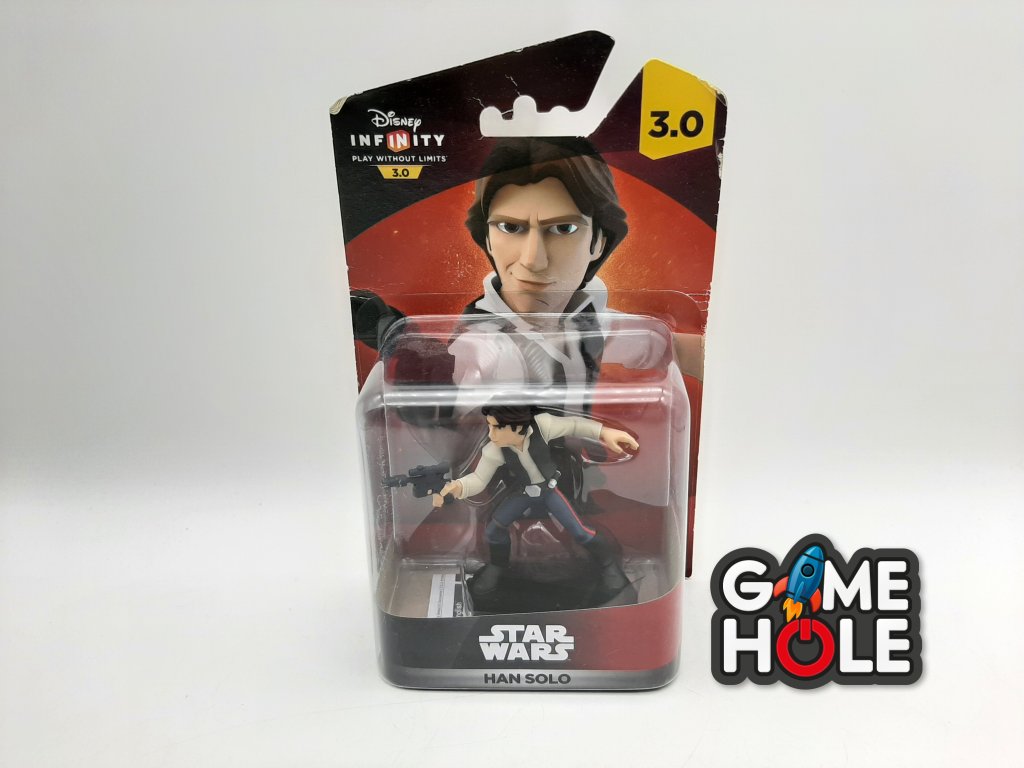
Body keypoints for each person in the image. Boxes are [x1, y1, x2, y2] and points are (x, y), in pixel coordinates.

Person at [433, 403, 639, 596]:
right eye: (489, 427)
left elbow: (575, 425)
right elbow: (479, 479)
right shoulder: (494, 449)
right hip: (524, 493)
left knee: (581, 532)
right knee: (493, 530)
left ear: (516, 427)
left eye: (496, 428)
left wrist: (605, 432)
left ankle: (609, 566)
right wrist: (456, 487)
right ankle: (496, 565)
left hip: (549, 491)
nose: (491, 434)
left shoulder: (542, 426)